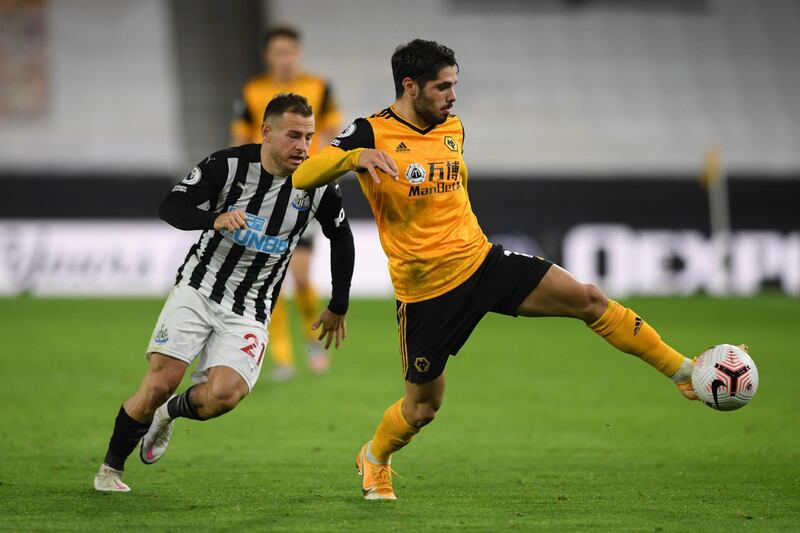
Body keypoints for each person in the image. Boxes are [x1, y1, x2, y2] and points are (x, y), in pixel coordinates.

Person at [292, 39, 701, 501]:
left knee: (588, 298)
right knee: (423, 409)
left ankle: (683, 371)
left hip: (482, 262)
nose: (452, 96)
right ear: (410, 86)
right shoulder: (370, 131)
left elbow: (455, 188)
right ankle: (375, 458)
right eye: (443, 86)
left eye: (455, 86)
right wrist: (355, 158)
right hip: (425, 292)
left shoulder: (453, 127)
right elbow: (304, 175)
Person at [93, 93, 354, 492]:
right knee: (160, 381)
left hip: (251, 307)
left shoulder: (317, 182)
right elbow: (171, 206)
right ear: (266, 132)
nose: (303, 147)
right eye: (293, 136)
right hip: (200, 287)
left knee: (226, 395)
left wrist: (338, 304)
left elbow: (342, 238)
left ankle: (168, 415)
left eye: (309, 137)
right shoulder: (228, 165)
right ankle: (110, 470)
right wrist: (213, 218)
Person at [231, 26, 344, 381]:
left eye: (290, 52)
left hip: (302, 189)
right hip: (261, 193)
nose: (285, 59)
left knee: (300, 276)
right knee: (269, 278)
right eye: (278, 52)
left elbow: (330, 135)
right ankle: (281, 357)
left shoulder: (319, 88)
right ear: (268, 56)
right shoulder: (252, 91)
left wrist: (321, 171)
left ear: (298, 53)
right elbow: (238, 139)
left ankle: (312, 341)